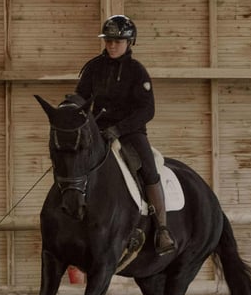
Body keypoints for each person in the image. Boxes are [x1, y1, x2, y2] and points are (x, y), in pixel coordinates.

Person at [75, 14, 176, 255]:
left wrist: (119, 129)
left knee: (149, 169)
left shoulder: (136, 71)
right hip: (97, 129)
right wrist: (72, 109)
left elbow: (147, 109)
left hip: (130, 131)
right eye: (108, 41)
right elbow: (81, 97)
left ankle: (162, 229)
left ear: (129, 43)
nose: (111, 45)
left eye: (117, 42)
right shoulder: (92, 68)